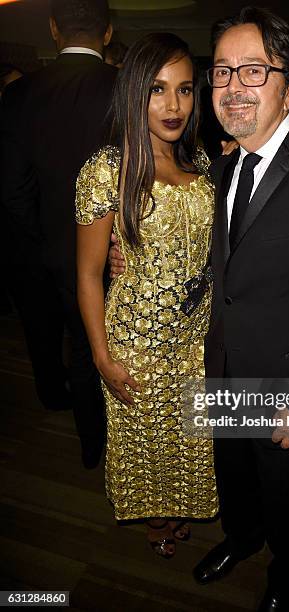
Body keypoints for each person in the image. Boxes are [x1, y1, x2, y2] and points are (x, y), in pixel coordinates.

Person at [110, 7, 289, 610]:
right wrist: (121, 255)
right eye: (223, 72)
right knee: (235, 480)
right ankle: (241, 539)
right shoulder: (221, 163)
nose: (233, 86)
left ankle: (284, 573)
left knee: (287, 496)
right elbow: (220, 266)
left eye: (254, 71)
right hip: (221, 368)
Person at [75, 33, 218, 558]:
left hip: (195, 343)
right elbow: (89, 274)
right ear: (134, 92)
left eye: (184, 90)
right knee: (145, 449)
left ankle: (178, 512)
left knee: (186, 444)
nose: (174, 105)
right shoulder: (107, 171)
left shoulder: (202, 163)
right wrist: (100, 356)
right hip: (135, 343)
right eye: (158, 90)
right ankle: (159, 521)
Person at [0, 0, 117, 468]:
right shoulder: (124, 85)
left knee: (67, 345)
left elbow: (11, 190)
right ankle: (111, 447)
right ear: (107, 33)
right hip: (113, 249)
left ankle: (85, 438)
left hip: (48, 251)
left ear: (53, 29)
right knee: (107, 349)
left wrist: (48, 237)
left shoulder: (19, 94)